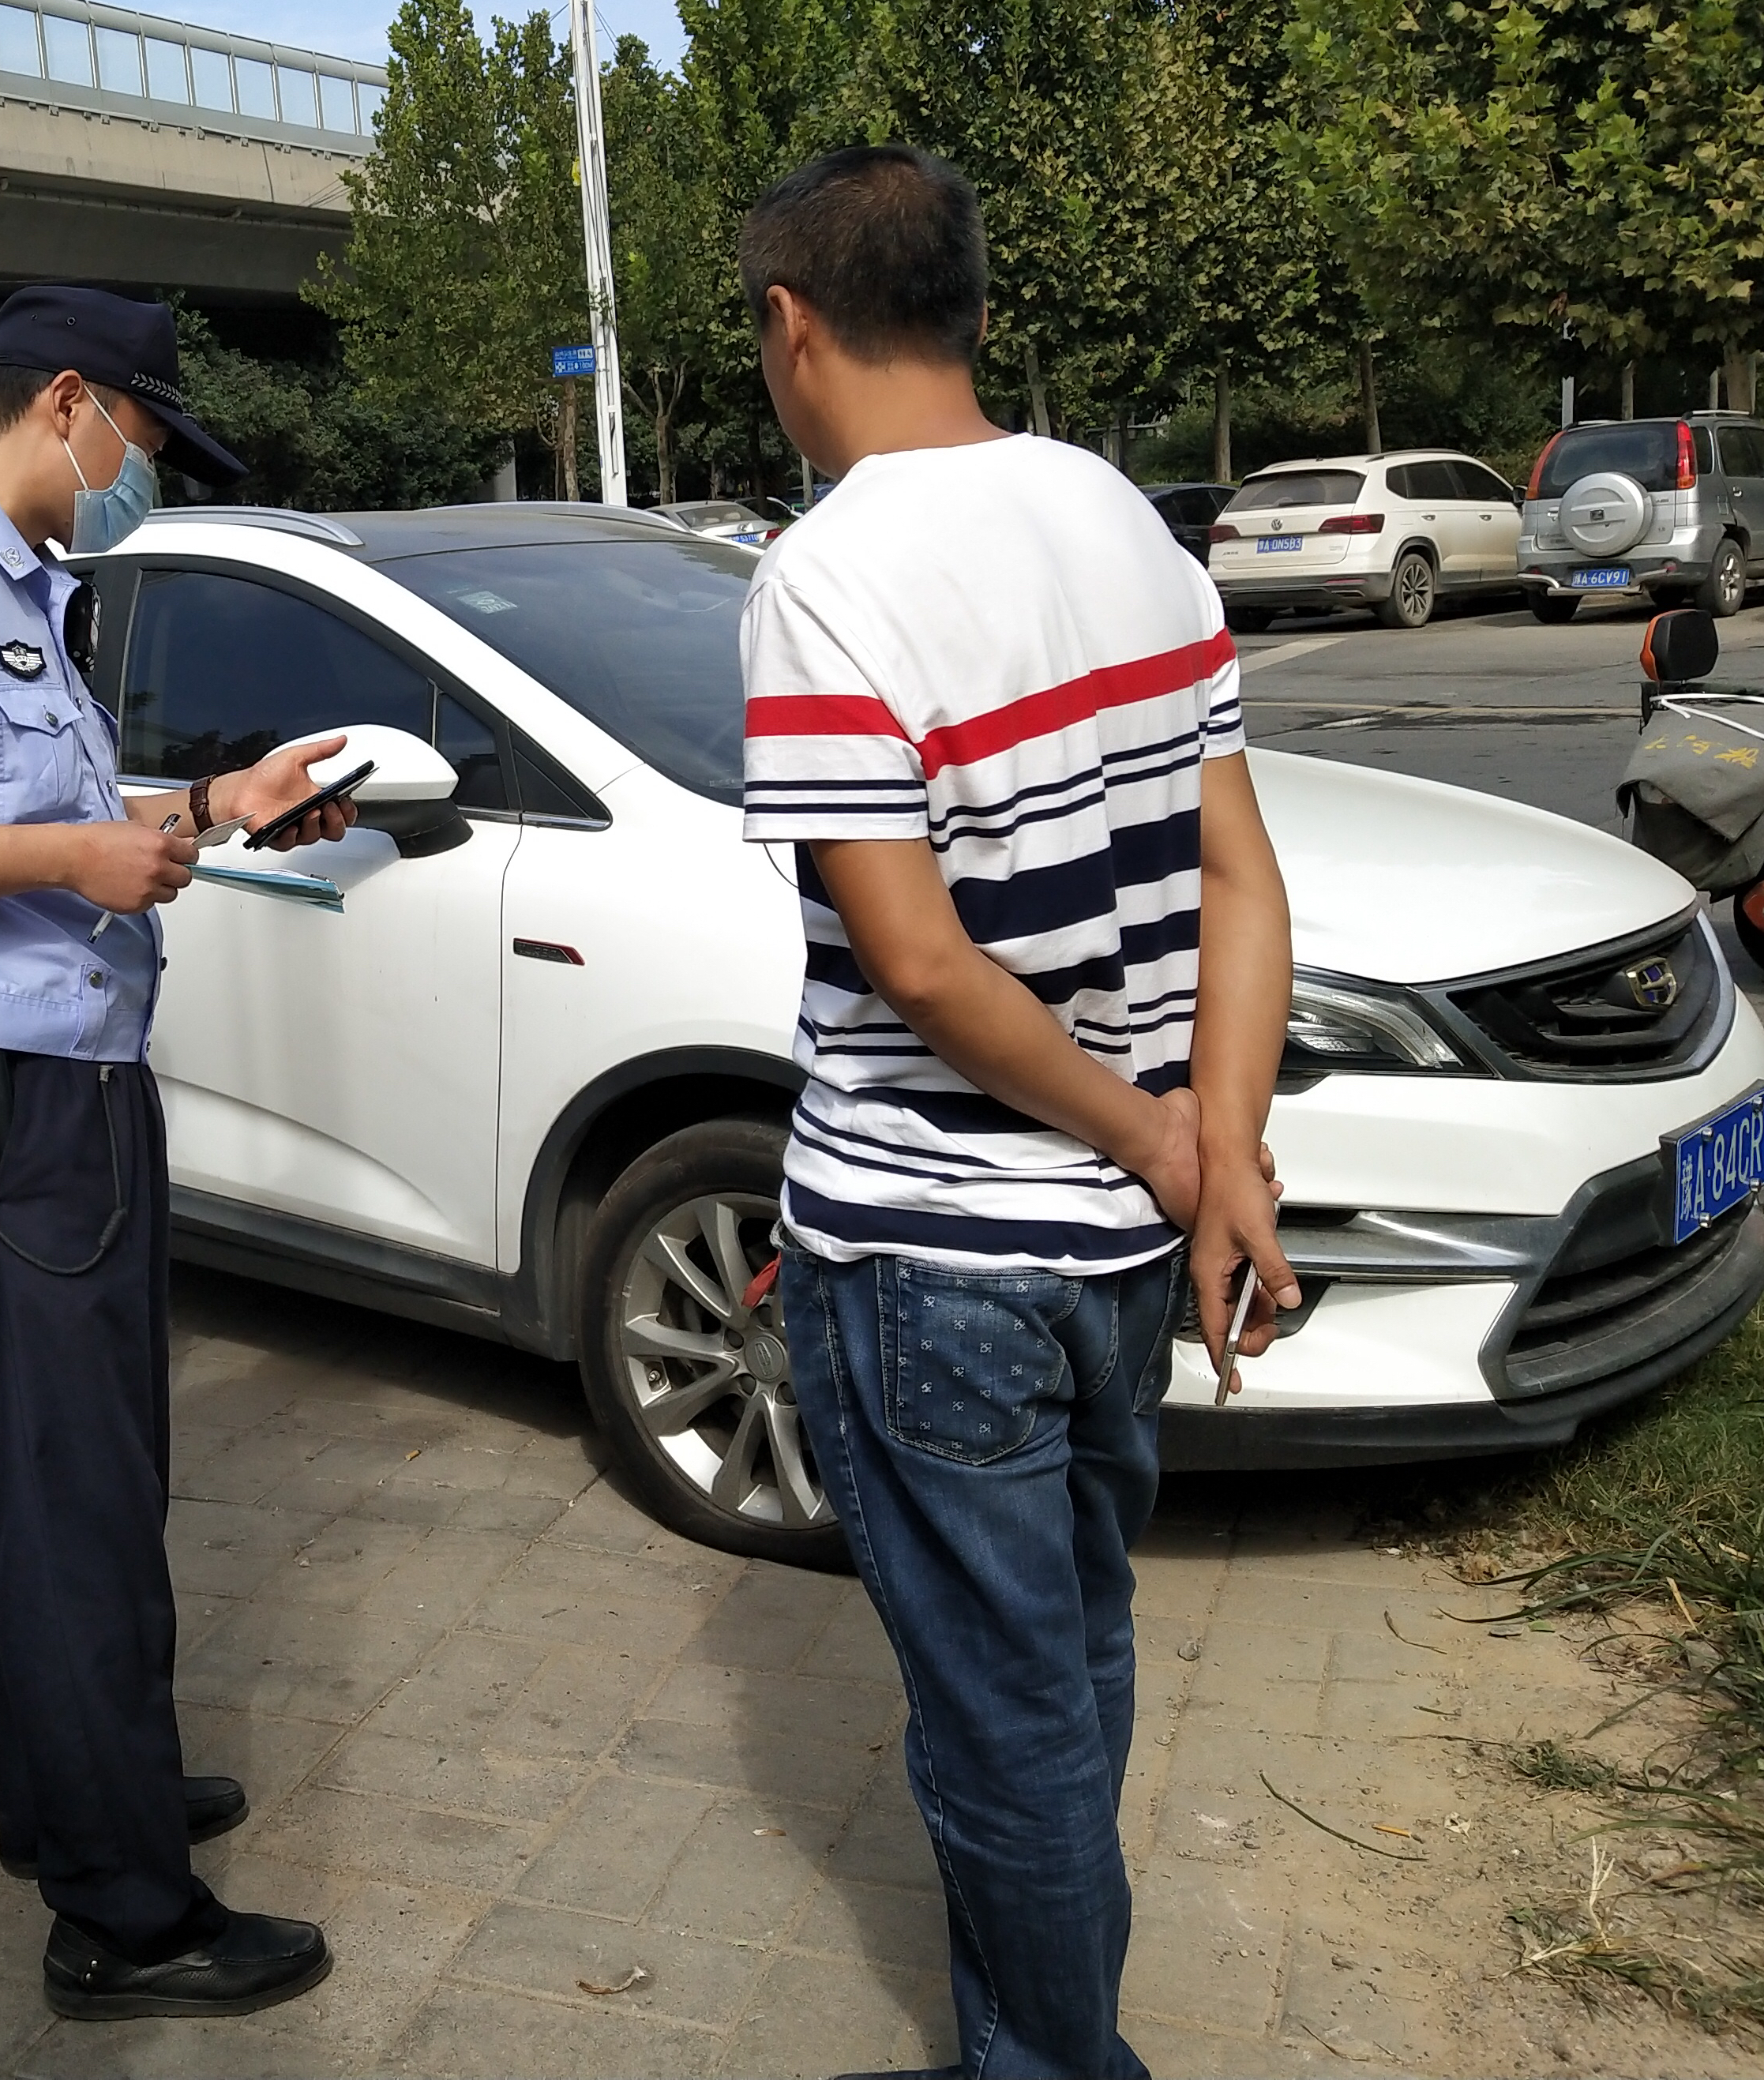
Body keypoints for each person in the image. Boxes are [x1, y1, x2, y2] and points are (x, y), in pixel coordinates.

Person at [733, 146, 1299, 2080]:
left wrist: (1166, 1146)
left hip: (944, 1257)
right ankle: (1029, 2040)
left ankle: (1062, 2063)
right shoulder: (1124, 518)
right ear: (969, 303)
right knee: (1078, 1657)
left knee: (1001, 1724)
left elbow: (922, 966)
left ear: (794, 328)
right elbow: (1240, 878)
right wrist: (1215, 1155)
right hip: (1115, 1262)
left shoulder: (824, 578)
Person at [0, 287, 343, 2022]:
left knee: (91, 1473)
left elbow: (44, 827)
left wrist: (208, 811)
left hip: (74, 1080)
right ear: (75, 404)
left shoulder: (27, 584)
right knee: (66, 1493)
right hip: (0, 1093)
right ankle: (122, 1913)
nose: (144, 477)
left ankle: (94, 1791)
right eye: (148, 442)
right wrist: (74, 864)